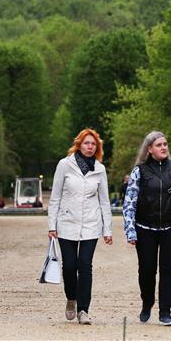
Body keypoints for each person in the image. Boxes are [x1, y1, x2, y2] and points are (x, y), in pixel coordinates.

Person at [122, 131, 171, 326]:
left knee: (168, 270)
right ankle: (147, 302)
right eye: (159, 145)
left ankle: (165, 312)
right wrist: (130, 229)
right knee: (147, 270)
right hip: (145, 228)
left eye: (165, 144)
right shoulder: (139, 172)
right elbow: (129, 202)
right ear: (149, 149)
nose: (164, 147)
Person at [48, 128, 113, 325]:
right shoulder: (64, 165)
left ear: (97, 147)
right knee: (69, 266)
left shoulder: (100, 169)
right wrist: (52, 225)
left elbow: (104, 202)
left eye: (93, 144)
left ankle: (83, 310)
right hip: (67, 222)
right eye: (86, 143)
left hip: (91, 225)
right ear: (79, 144)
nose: (90, 147)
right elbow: (55, 197)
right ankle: (71, 298)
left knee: (85, 266)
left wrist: (107, 230)